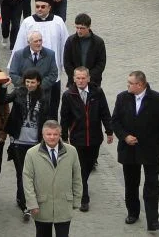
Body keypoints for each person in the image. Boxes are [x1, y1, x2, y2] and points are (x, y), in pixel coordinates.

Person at [111, 71, 159, 232]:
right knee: (131, 183)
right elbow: (115, 121)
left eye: (130, 83)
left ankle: (153, 220)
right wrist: (125, 137)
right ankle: (133, 212)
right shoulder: (122, 98)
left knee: (152, 184)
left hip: (150, 150)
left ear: (140, 85)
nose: (127, 86)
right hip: (129, 149)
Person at [60, 66, 113, 212]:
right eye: (78, 78)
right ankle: (84, 197)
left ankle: (78, 184)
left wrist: (109, 131)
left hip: (95, 137)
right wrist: (64, 136)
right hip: (78, 138)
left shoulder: (97, 92)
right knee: (82, 167)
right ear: (73, 78)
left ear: (88, 78)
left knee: (89, 165)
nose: (81, 81)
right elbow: (64, 117)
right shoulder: (68, 95)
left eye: (83, 78)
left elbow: (105, 112)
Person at [22, 120, 83, 237]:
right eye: (48, 134)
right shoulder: (31, 153)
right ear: (42, 135)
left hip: (64, 205)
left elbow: (77, 177)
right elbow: (27, 179)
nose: (52, 137)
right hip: (41, 206)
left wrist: (77, 199)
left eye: (55, 134)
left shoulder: (72, 151)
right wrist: (32, 203)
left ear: (60, 134)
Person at [12, 0, 69, 119]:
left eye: (43, 7)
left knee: (52, 107)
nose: (39, 9)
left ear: (49, 7)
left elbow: (65, 44)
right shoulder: (28, 22)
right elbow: (20, 45)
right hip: (31, 77)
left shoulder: (58, 22)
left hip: (52, 74)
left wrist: (66, 66)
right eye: (37, 6)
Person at [6, 69, 51, 221]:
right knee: (21, 172)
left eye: (33, 82)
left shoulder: (44, 97)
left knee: (34, 173)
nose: (30, 85)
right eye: (27, 82)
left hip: (35, 141)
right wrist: (2, 87)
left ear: (38, 82)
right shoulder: (18, 92)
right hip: (19, 139)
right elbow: (3, 100)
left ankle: (32, 199)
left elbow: (47, 117)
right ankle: (23, 202)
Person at [61, 13, 107, 87]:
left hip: (93, 82)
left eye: (82, 28)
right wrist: (77, 78)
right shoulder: (70, 41)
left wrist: (87, 77)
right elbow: (67, 62)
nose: (79, 31)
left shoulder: (98, 42)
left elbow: (101, 63)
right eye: (77, 27)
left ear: (89, 27)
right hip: (74, 83)